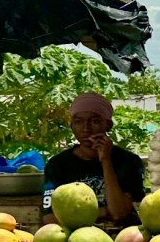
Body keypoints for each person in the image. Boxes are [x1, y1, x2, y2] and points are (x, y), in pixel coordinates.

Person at [44, 92, 144, 224]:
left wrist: (106, 161)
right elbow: (50, 218)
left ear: (108, 125)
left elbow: (119, 213)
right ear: (72, 126)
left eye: (95, 121)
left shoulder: (129, 162)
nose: (86, 129)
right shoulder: (57, 165)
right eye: (78, 122)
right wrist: (103, 211)